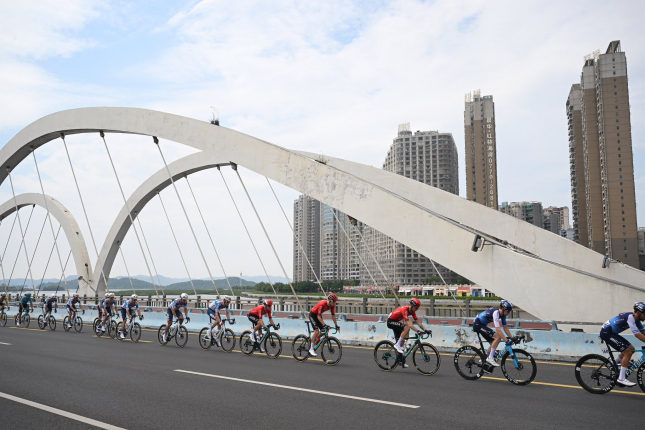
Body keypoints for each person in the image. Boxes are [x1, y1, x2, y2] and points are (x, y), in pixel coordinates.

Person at [599, 302, 645, 387]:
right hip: (606, 332)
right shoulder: (630, 317)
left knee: (631, 349)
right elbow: (637, 335)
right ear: (639, 313)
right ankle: (621, 379)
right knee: (628, 352)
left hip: (612, 333)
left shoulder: (637, 320)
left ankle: (613, 365)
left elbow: (643, 332)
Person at [387, 298, 431, 363]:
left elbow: (418, 322)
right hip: (391, 322)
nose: (417, 309)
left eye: (418, 308)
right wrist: (418, 331)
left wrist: (425, 330)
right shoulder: (405, 309)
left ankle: (401, 361)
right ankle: (397, 345)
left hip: (396, 322)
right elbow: (409, 324)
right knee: (407, 327)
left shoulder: (412, 312)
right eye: (416, 308)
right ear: (412, 306)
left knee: (403, 339)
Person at [473, 300, 514, 367]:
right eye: (508, 311)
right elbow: (498, 329)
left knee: (493, 344)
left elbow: (505, 327)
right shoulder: (496, 313)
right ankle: (490, 358)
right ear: (503, 309)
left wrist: (512, 338)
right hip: (478, 325)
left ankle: (485, 358)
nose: (509, 313)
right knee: (498, 337)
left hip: (482, 325)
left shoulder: (503, 315)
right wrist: (506, 340)